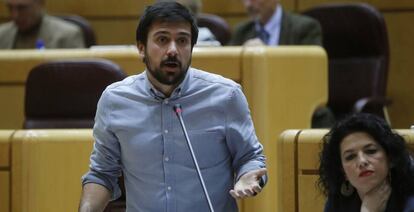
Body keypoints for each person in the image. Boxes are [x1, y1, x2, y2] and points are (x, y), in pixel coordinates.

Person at [79, 2, 267, 212]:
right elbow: (102, 174)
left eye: (182, 41)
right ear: (141, 48)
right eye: (162, 39)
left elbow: (250, 158)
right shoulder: (115, 100)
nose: (173, 50)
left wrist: (248, 176)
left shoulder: (226, 96)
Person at [318, 113, 414, 212]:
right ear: (342, 170)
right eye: (350, 157)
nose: (362, 161)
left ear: (390, 158)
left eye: (371, 151)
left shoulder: (410, 201)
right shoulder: (337, 201)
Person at [229, 0, 321, 46]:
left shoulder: (306, 28)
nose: (248, 5)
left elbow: (310, 69)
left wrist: (266, 55)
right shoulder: (241, 31)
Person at [0, 0, 85, 49]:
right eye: (10, 8)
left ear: (40, 3)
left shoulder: (67, 36)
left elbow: (77, 77)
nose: (15, 15)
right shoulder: (2, 34)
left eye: (22, 8)